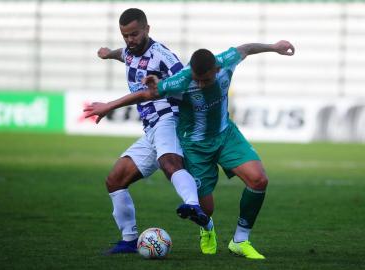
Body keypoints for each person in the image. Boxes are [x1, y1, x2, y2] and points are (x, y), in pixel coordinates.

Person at [84, 40, 295, 259]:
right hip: (195, 146)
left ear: (217, 69)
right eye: (198, 79)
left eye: (207, 79)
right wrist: (109, 105)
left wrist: (274, 47)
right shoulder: (181, 80)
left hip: (226, 135)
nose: (202, 84)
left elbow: (247, 49)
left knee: (259, 180)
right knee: (205, 210)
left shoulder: (227, 61)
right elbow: (146, 94)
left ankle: (240, 240)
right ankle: (207, 228)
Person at [92, 8, 209, 255]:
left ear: (147, 29)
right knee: (115, 180)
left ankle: (193, 205)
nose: (130, 40)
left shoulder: (162, 56)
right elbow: (122, 54)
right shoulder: (129, 51)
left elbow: (187, 80)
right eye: (125, 35)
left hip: (169, 119)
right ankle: (128, 240)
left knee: (169, 163)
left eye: (134, 34)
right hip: (150, 130)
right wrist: (107, 54)